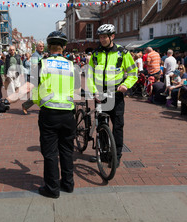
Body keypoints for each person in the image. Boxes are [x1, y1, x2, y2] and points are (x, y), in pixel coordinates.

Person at [32, 31, 78, 199]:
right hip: (68, 114)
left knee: (51, 153)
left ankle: (52, 189)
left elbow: (34, 90)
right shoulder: (72, 65)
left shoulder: (42, 64)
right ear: (63, 47)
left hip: (49, 114)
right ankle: (68, 184)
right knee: (67, 150)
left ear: (49, 46)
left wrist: (38, 101)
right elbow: (76, 89)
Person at [87, 24, 138, 166]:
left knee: (118, 126)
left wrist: (126, 85)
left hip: (116, 95)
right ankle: (103, 154)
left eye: (105, 37)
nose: (102, 39)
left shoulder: (123, 53)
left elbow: (133, 73)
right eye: (100, 37)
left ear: (112, 37)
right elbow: (90, 74)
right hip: (101, 95)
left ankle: (116, 156)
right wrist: (94, 90)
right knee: (102, 125)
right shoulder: (96, 54)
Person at [22, 41, 45, 115]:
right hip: (36, 77)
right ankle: (25, 105)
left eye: (43, 46)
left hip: (40, 76)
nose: (42, 47)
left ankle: (43, 107)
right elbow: (34, 66)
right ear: (37, 47)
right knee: (37, 95)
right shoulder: (35, 55)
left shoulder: (40, 54)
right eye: (40, 46)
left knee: (41, 93)